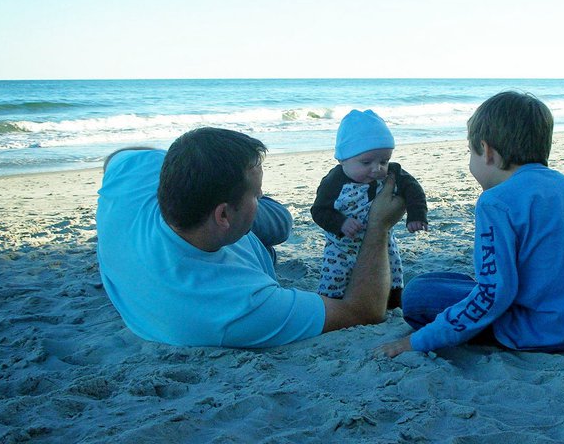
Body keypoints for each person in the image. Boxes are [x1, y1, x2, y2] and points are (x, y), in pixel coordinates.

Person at [379, 90, 564, 357]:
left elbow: (493, 294)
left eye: (470, 152)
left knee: (420, 292)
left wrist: (416, 341)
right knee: (456, 281)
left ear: (487, 151)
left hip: (548, 331)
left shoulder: (495, 202)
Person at [96, 127, 405, 348]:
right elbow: (363, 311)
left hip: (213, 230)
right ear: (223, 215)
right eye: (257, 194)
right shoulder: (237, 306)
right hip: (231, 265)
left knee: (278, 223)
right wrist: (379, 226)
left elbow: (119, 157)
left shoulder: (133, 180)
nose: (259, 197)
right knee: (279, 222)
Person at [311, 109, 428, 308]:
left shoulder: (393, 173)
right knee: (334, 280)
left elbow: (414, 190)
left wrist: (416, 215)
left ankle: (393, 303)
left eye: (384, 161)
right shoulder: (333, 181)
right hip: (343, 246)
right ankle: (334, 304)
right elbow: (319, 211)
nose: (377, 168)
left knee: (393, 271)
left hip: (383, 241)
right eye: (366, 162)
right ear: (342, 159)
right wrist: (341, 223)